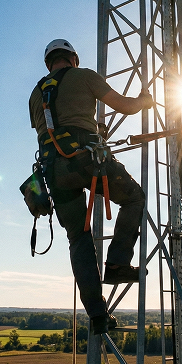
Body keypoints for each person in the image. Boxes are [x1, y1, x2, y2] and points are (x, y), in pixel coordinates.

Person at [29, 39, 153, 335]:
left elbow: (55, 126)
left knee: (78, 238)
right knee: (134, 198)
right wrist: (143, 101)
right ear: (73, 58)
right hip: (86, 161)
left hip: (54, 172)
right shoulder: (83, 75)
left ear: (48, 63)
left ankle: (98, 315)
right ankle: (118, 264)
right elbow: (126, 106)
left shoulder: (35, 93)